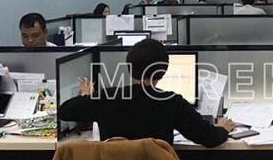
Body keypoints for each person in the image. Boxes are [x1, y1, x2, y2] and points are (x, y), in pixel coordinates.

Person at [60, 39, 234, 145]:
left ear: (129, 68)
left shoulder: (106, 97)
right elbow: (208, 138)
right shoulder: (172, 102)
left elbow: (64, 111)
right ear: (163, 72)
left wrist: (86, 96)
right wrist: (222, 129)